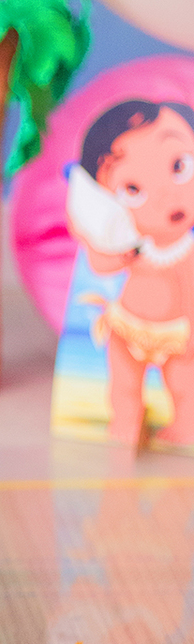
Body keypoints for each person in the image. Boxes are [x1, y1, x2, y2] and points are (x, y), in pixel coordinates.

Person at [66, 99, 194, 450]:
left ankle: (184, 426)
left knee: (185, 385)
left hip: (177, 335)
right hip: (126, 326)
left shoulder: (186, 252)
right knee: (122, 384)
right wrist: (86, 230)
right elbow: (102, 265)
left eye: (180, 166)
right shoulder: (131, 247)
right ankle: (126, 421)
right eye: (132, 189)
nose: (167, 195)